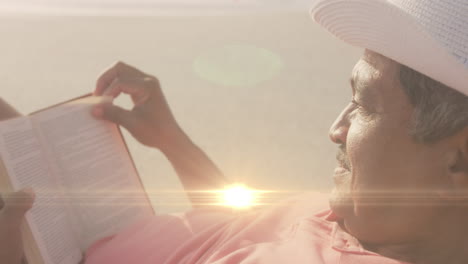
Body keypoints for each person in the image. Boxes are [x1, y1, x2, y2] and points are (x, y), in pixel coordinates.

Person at [2, 0, 468, 263]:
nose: (335, 129)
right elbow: (241, 227)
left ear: (458, 162)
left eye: (364, 104)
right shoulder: (367, 213)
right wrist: (172, 142)